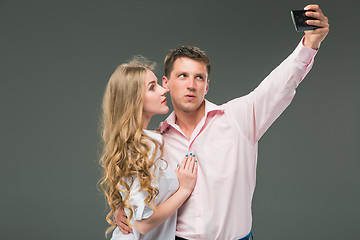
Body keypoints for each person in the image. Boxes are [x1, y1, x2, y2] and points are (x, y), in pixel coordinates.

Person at [116, 4, 329, 240]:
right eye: (183, 76)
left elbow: (279, 85)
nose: (191, 85)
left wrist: (309, 45)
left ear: (207, 85)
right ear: (167, 83)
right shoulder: (157, 141)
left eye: (199, 77)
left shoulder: (240, 117)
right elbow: (137, 192)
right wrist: (121, 210)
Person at [99, 57, 198, 240]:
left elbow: (137, 203)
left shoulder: (143, 142)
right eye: (152, 87)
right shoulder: (144, 146)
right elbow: (143, 224)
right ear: (133, 101)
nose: (164, 89)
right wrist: (184, 189)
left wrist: (123, 209)